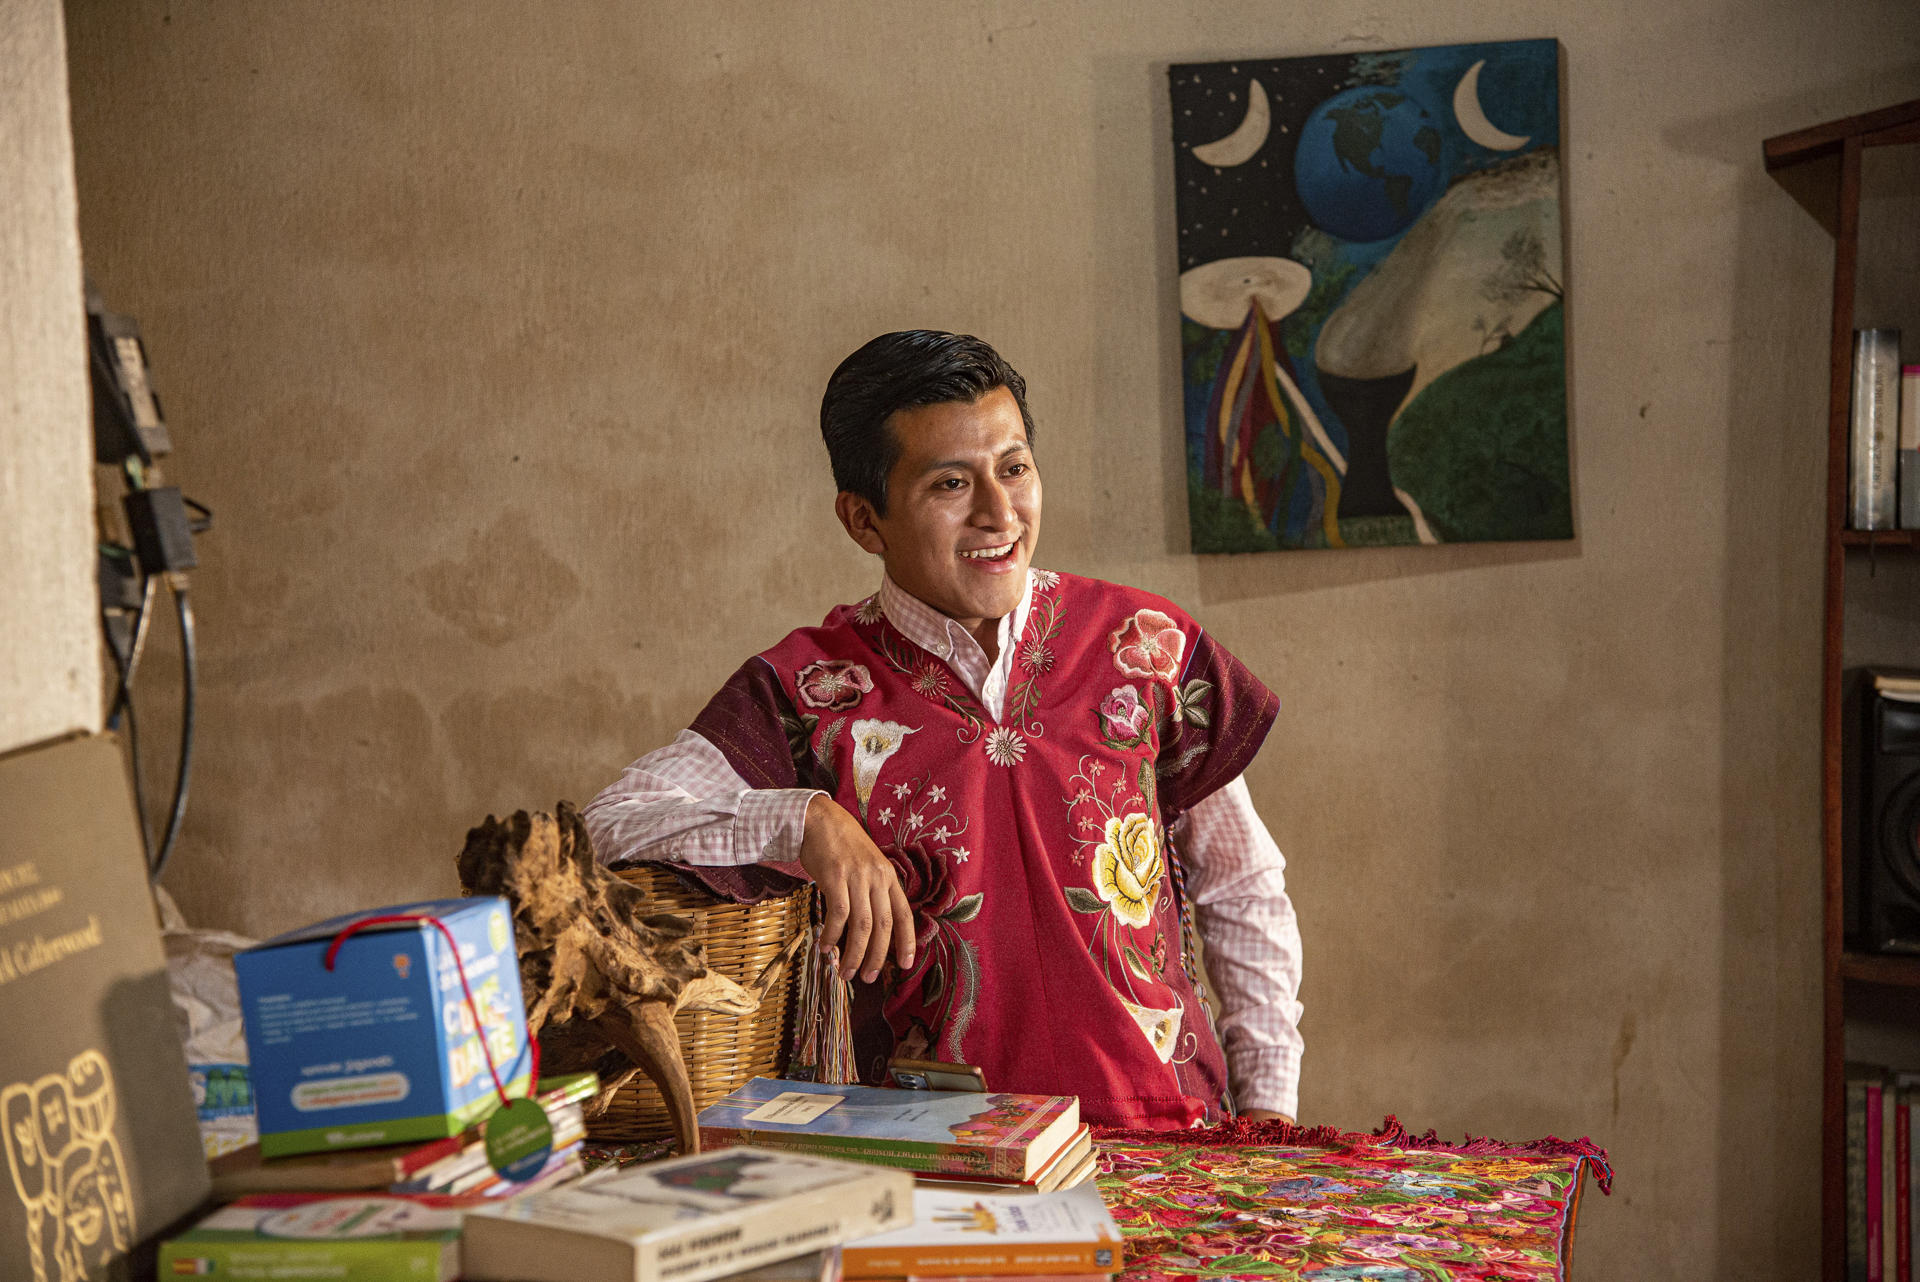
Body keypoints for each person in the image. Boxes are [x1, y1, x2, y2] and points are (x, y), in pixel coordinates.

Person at [583, 331, 1302, 1129]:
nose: (999, 513)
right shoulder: (806, 691)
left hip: (1171, 1137)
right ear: (865, 520)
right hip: (928, 1158)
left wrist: (1269, 1112)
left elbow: (1241, 887)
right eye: (951, 483)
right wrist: (803, 820)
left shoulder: (1145, 645)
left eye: (1015, 468)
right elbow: (606, 826)